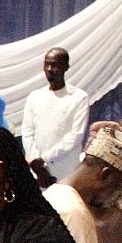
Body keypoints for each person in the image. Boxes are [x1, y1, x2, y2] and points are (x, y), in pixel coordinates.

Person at [22, 47, 90, 187]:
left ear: (65, 67)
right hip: (36, 171)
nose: (49, 69)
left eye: (54, 65)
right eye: (46, 64)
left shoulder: (79, 97)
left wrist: (44, 159)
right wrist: (36, 164)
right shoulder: (35, 96)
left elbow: (75, 136)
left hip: (65, 169)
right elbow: (27, 133)